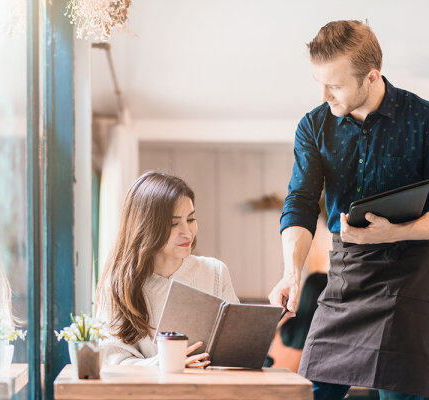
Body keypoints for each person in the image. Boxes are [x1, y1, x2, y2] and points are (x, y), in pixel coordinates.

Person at [268, 20, 429, 400]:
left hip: (412, 277)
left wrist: (397, 232)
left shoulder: (423, 121)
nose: (324, 94)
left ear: (372, 77)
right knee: (311, 392)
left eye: (335, 85)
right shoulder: (313, 126)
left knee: (400, 394)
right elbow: (301, 203)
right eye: (318, 82)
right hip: (346, 275)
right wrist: (291, 271)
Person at [96, 171, 239, 366]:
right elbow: (112, 360)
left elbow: (236, 348)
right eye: (173, 224)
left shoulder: (215, 272)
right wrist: (163, 363)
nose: (187, 232)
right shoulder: (118, 283)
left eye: (190, 219)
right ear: (146, 227)